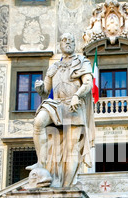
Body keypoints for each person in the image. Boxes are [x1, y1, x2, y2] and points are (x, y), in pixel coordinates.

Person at [27, 33, 95, 188]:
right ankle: (41, 162)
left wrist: (77, 96)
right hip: (56, 105)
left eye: (71, 40)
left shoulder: (82, 62)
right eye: (64, 40)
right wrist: (39, 88)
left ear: (74, 44)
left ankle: (66, 186)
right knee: (38, 122)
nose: (68, 42)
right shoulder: (54, 67)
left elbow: (88, 83)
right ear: (60, 44)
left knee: (72, 148)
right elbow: (46, 91)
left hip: (74, 105)